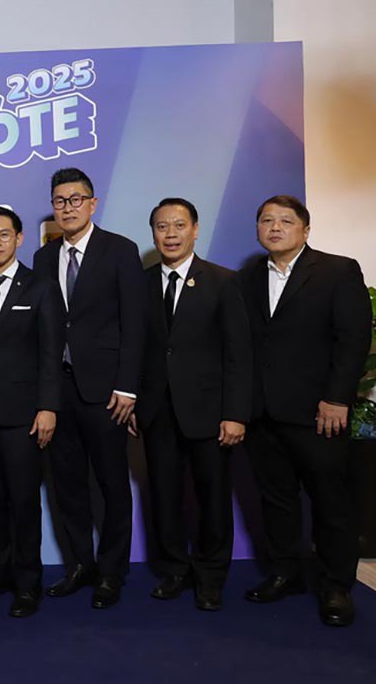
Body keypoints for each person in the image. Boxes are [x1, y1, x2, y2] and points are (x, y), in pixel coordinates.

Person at [238, 195, 371, 627]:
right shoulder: (247, 277)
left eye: (286, 221)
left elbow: (353, 340)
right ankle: (285, 572)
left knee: (331, 502)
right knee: (276, 500)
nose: (275, 227)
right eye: (266, 221)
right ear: (258, 229)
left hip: (319, 412)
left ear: (305, 230)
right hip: (262, 413)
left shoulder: (337, 271)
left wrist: (337, 398)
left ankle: (336, 586)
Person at [129, 198, 252, 611]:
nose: (171, 234)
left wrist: (235, 413)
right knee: (164, 496)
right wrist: (134, 401)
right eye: (162, 226)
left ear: (195, 230)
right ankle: (174, 571)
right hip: (157, 411)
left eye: (179, 225)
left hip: (210, 412)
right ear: (153, 233)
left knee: (212, 497)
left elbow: (238, 355)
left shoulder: (223, 281)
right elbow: (134, 349)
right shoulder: (141, 284)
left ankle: (210, 577)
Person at [32, 168, 146, 609]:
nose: (68, 208)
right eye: (60, 201)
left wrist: (128, 387)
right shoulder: (44, 257)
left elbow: (134, 323)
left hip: (106, 392)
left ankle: (112, 572)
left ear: (92, 204)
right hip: (59, 391)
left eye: (76, 199)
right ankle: (81, 564)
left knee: (112, 484)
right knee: (67, 485)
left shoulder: (120, 250)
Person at [0, 206, 64, 618]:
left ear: (19, 238)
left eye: (4, 234)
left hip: (24, 415)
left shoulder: (41, 288)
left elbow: (51, 353)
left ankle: (27, 583)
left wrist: (48, 407)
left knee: (23, 502)